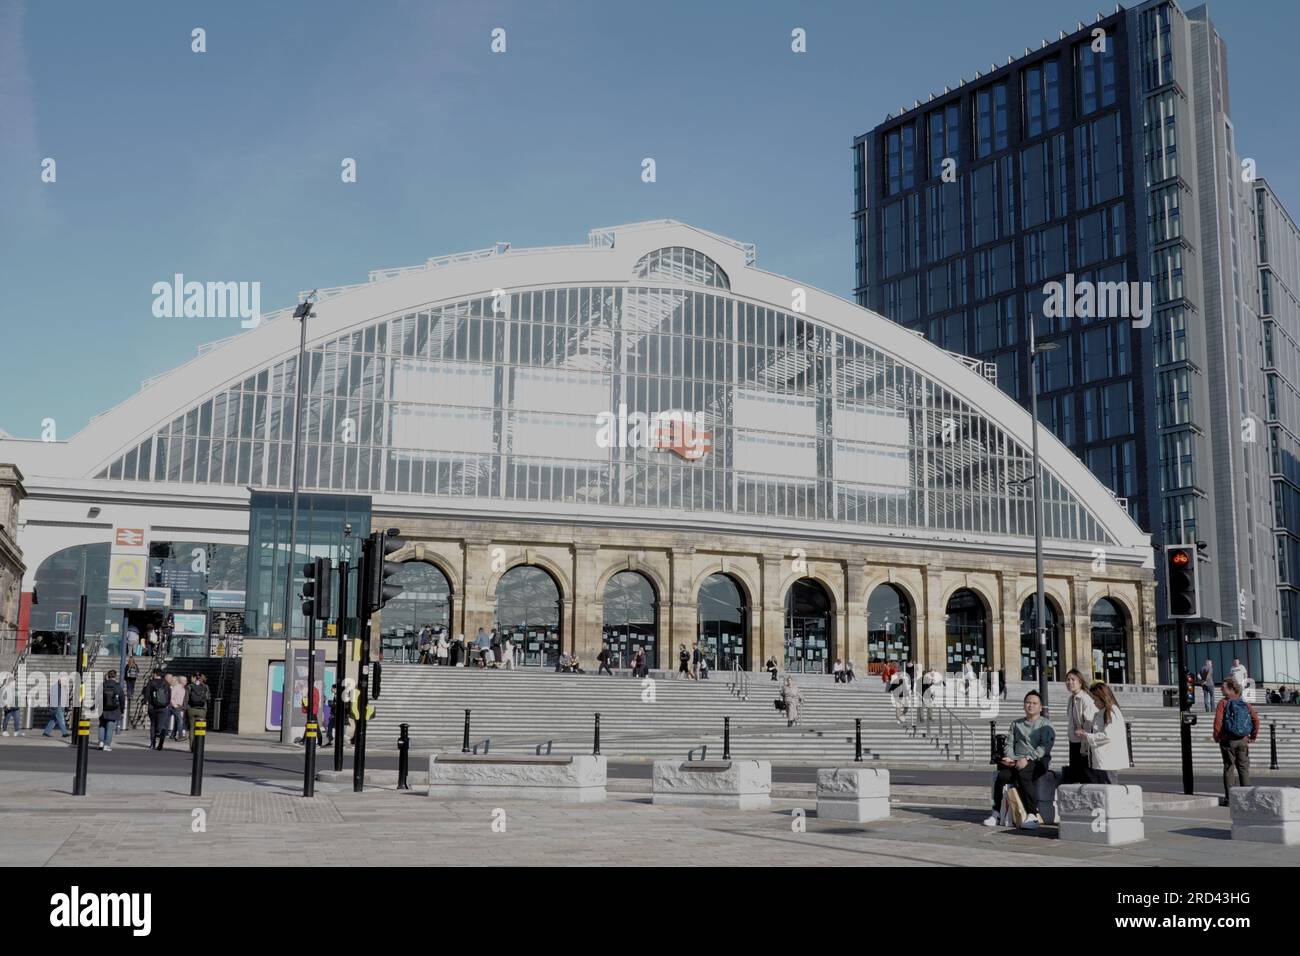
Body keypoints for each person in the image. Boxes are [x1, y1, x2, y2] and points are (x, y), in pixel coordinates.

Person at [984, 690, 1055, 829]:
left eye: (1034, 703)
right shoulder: (1016, 724)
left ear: (1040, 707)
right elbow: (1009, 744)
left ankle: (1032, 814)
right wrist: (1010, 758)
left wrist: (1028, 759)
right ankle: (996, 812)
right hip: (1016, 760)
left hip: (1037, 761)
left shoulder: (1045, 725)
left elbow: (1044, 747)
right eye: (1028, 702)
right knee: (1002, 776)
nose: (1030, 705)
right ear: (1024, 705)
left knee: (1024, 775)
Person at [1213, 677, 1260, 806]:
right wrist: (1252, 737)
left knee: (1229, 768)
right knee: (1243, 768)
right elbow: (1256, 720)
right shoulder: (1244, 703)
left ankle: (1230, 798)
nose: (1221, 688)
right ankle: (1247, 798)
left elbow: (1218, 722)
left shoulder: (1223, 703)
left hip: (1228, 741)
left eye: (1223, 687)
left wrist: (1217, 736)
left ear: (1231, 688)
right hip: (1243, 741)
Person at [1079, 682, 1128, 784]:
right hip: (1101, 759)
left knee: (1109, 789)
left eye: (1096, 699)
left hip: (1108, 760)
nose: (1094, 702)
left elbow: (1108, 735)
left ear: (1103, 697)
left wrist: (1087, 736)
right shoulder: (1102, 712)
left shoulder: (1111, 711)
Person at [1064, 668, 1098, 784]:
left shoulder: (1085, 698)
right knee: (1075, 775)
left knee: (1083, 775)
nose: (1070, 682)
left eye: (1073, 679)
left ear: (1080, 682)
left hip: (1083, 742)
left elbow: (1090, 720)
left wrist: (1084, 732)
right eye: (1068, 680)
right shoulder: (1071, 698)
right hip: (1074, 740)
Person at [98, 669, 124, 751]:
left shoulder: (102, 685)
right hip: (114, 709)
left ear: (108, 676)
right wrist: (122, 710)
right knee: (110, 727)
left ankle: (101, 742)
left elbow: (97, 697)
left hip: (102, 708)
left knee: (102, 725)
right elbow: (122, 699)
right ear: (115, 676)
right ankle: (107, 744)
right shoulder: (117, 686)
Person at [145, 669, 170, 750]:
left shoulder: (151, 683)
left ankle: (153, 743)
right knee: (161, 725)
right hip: (163, 707)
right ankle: (161, 733)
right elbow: (169, 695)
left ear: (155, 674)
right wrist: (166, 704)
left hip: (152, 707)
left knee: (153, 724)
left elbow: (147, 695)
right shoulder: (166, 683)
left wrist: (145, 704)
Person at [186, 673, 210, 751]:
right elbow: (208, 698)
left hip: (191, 710)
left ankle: (192, 747)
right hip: (202, 710)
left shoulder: (189, 687)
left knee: (192, 729)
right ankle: (199, 746)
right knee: (200, 729)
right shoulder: (205, 687)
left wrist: (186, 708)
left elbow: (186, 699)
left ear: (194, 678)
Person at [42, 673, 70, 738]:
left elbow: (64, 697)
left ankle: (46, 732)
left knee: (53, 720)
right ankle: (64, 733)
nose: (65, 681)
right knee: (61, 719)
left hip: (59, 706)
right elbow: (51, 697)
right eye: (63, 680)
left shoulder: (62, 687)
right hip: (57, 706)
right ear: (60, 679)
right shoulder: (56, 687)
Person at [168, 675, 188, 741]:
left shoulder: (183, 689)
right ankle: (180, 736)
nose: (186, 682)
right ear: (180, 681)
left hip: (180, 706)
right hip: (174, 707)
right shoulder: (176, 688)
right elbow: (171, 697)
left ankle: (172, 735)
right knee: (180, 720)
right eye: (184, 680)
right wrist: (175, 705)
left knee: (177, 721)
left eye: (186, 680)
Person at [124, 658, 140, 725]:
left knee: (128, 686)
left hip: (128, 677)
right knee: (132, 686)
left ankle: (129, 694)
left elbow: (125, 671)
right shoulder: (135, 665)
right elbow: (138, 671)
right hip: (133, 677)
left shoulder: (128, 665)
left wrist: (125, 677)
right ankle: (132, 694)